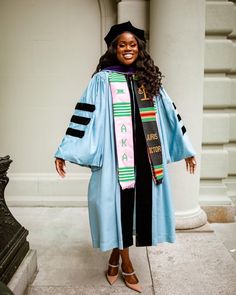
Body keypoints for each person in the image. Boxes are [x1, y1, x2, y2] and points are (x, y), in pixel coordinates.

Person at [55, 21, 197, 293]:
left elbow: (170, 114)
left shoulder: (148, 78)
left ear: (139, 49)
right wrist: (65, 150)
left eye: (133, 44)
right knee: (117, 207)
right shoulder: (102, 79)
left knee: (134, 210)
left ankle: (113, 259)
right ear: (114, 48)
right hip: (115, 156)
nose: (128, 49)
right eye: (123, 45)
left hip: (145, 157)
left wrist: (186, 148)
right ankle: (127, 265)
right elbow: (85, 115)